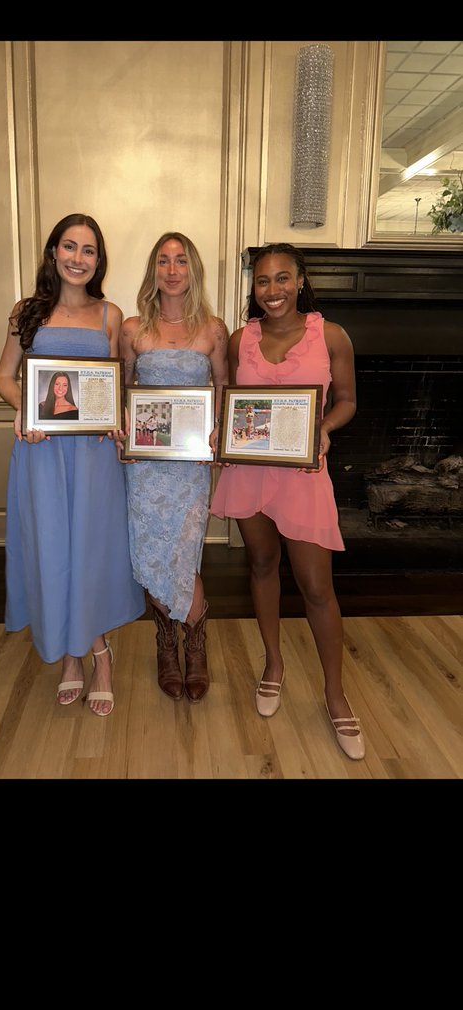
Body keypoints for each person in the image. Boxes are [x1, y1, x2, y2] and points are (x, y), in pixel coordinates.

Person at [210, 243, 365, 760]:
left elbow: (346, 401)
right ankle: (273, 663)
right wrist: (220, 433)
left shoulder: (331, 336)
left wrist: (322, 428)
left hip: (302, 473)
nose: (272, 290)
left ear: (299, 281)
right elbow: (231, 401)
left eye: (282, 279)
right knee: (260, 565)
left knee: (317, 588)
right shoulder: (240, 340)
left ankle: (334, 694)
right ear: (252, 288)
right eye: (262, 281)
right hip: (250, 471)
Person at [0, 213, 146, 715]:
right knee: (50, 548)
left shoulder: (110, 315)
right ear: (53, 252)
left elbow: (115, 388)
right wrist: (23, 410)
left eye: (89, 250)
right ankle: (70, 659)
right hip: (40, 452)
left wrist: (116, 416)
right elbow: (4, 378)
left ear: (98, 260)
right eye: (69, 247)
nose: (78, 258)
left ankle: (98, 652)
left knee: (90, 551)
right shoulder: (26, 311)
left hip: (93, 455)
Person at [119, 232, 229, 703]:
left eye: (180, 260)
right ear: (153, 270)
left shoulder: (214, 329)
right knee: (150, 554)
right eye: (163, 261)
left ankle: (196, 649)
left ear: (192, 269)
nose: (171, 269)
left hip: (189, 466)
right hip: (145, 466)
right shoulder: (131, 329)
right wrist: (122, 424)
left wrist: (219, 431)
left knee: (184, 554)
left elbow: (223, 387)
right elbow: (121, 390)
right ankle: (167, 646)